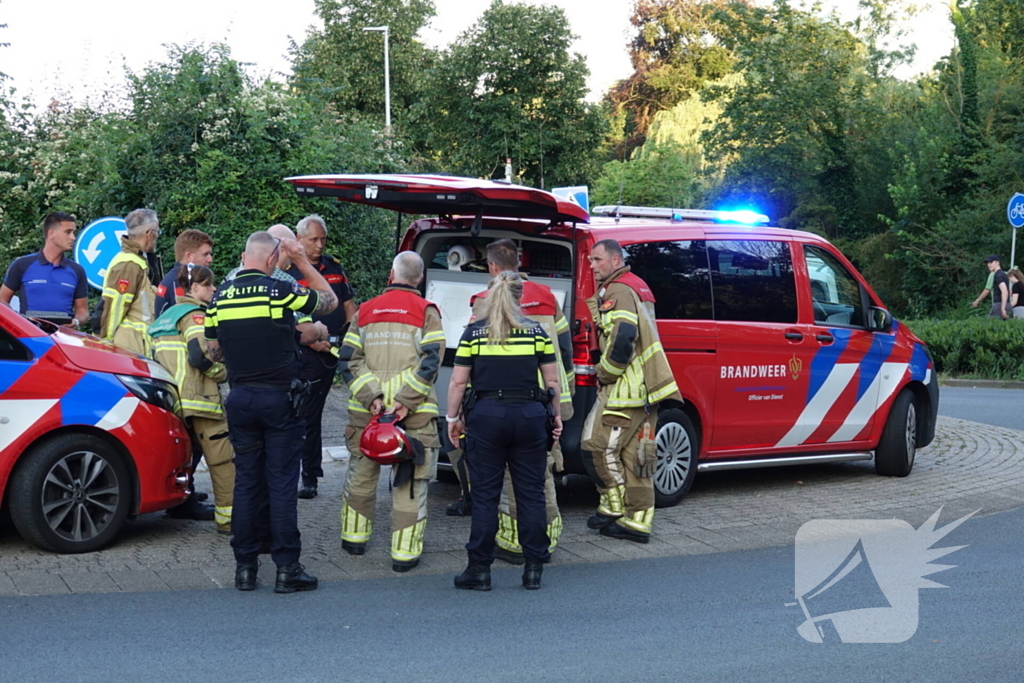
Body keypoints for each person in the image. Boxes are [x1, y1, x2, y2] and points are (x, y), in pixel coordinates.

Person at [205, 231, 338, 593]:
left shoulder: (220, 296)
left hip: (240, 398)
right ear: (269, 260)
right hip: (279, 400)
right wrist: (302, 261)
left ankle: (245, 568)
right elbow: (328, 302)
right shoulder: (277, 291)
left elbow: (214, 350)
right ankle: (286, 568)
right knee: (281, 483)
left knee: (247, 483)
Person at [448, 239, 574, 565]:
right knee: (537, 483)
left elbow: (465, 375)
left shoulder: (481, 304)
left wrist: (459, 415)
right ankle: (541, 550)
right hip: (539, 409)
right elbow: (565, 352)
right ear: (518, 263)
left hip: (492, 410)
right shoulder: (547, 298)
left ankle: (496, 555)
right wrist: (557, 407)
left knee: (493, 489)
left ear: (491, 267)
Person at [336, 251, 444, 572]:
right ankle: (404, 555)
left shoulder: (365, 311)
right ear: (420, 279)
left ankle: (354, 540)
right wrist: (405, 401)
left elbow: (348, 359)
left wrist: (373, 398)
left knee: (360, 476)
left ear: (390, 274)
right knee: (410, 483)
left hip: (366, 413)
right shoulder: (427, 312)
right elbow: (431, 361)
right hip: (416, 415)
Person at [581, 239, 680, 544]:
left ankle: (613, 509)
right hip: (645, 389)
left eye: (597, 260)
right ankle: (636, 522)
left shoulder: (619, 290)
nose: (592, 266)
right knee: (636, 457)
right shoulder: (637, 285)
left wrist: (605, 372)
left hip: (625, 389)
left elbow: (623, 336)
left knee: (596, 447)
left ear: (614, 260)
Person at [149, 264, 233, 530]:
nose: (214, 289)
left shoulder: (164, 317)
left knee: (184, 459)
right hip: (200, 400)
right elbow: (199, 355)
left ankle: (176, 506)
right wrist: (222, 373)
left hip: (173, 402)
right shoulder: (196, 315)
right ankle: (230, 521)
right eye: (209, 285)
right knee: (222, 461)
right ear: (194, 288)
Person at [289, 214, 357, 499]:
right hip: (305, 352)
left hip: (335, 351)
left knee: (313, 414)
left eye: (322, 239)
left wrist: (353, 341)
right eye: (313, 239)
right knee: (306, 414)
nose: (318, 245)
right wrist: (313, 341)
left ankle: (310, 473)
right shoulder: (290, 272)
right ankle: (309, 475)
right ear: (299, 240)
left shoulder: (334, 267)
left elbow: (350, 306)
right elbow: (287, 316)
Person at [1, 212, 88, 327]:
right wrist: (19, 321)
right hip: (29, 339)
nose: (73, 237)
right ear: (51, 233)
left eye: (73, 232)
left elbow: (83, 311)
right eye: (68, 232)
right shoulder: (22, 264)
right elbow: (2, 301)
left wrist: (76, 322)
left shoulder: (77, 271)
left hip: (63, 339)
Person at [100, 209, 160, 356]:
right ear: (150, 234)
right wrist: (105, 346)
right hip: (133, 346)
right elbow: (114, 309)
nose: (158, 236)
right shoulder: (129, 265)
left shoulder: (137, 260)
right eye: (158, 232)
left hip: (138, 344)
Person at [154, 229, 215, 315]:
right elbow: (184, 318)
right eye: (205, 254)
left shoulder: (178, 278)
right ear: (189, 257)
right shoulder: (179, 282)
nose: (210, 259)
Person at [972, 255, 1010, 319]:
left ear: (998, 262)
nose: (989, 264)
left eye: (991, 262)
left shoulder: (995, 275)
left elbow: (1004, 291)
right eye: (988, 263)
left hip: (999, 305)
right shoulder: (1005, 274)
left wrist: (977, 300)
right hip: (1008, 304)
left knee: (990, 325)